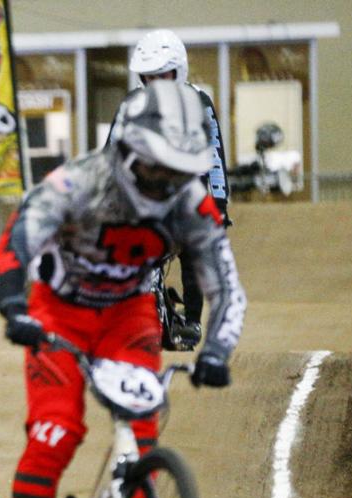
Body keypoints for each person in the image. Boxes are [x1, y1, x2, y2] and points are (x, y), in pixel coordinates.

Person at [0, 81, 247, 498]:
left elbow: (226, 283)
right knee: (55, 434)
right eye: (156, 168)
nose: (166, 182)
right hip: (57, 313)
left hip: (129, 315)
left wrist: (218, 350)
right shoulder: (79, 182)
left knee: (141, 422)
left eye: (178, 171)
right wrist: (13, 305)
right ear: (128, 152)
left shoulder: (188, 202)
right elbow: (18, 240)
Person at [107, 30, 232, 350]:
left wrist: (218, 203)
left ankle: (191, 320)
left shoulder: (199, 103)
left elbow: (214, 157)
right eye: (149, 76)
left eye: (163, 74)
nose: (156, 82)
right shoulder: (130, 105)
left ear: (179, 71)